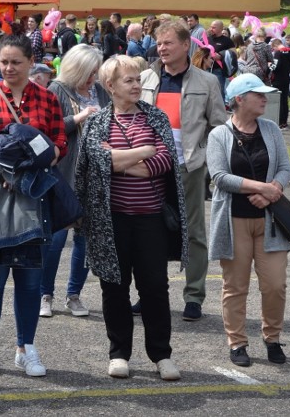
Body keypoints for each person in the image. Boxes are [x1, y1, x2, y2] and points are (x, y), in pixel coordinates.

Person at [75, 55, 187, 381]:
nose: (137, 85)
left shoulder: (155, 117)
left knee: (154, 288)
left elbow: (166, 159)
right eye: (129, 80)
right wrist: (141, 152)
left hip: (151, 219)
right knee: (115, 287)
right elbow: (98, 161)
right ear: (110, 86)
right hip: (111, 221)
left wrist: (120, 159)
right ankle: (119, 353)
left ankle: (161, 355)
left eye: (138, 79)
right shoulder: (98, 122)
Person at [0, 28, 67, 379]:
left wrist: (37, 162)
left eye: (16, 63)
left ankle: (26, 348)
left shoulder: (48, 99)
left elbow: (59, 144)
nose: (8, 68)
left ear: (31, 63)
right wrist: (7, 162)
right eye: (3, 62)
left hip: (33, 204)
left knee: (29, 280)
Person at [139, 20, 227, 321]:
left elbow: (218, 126)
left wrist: (205, 158)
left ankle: (194, 296)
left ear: (185, 45)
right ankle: (150, 294)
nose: (161, 48)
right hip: (150, 168)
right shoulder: (145, 79)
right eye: (159, 43)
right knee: (151, 232)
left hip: (188, 166)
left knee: (193, 232)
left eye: (168, 43)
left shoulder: (207, 82)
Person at [206, 73, 290, 367]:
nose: (264, 98)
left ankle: (272, 338)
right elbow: (219, 177)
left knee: (275, 285)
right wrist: (261, 188)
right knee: (235, 286)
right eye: (258, 93)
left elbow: (285, 167)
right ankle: (238, 342)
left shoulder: (271, 129)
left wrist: (274, 191)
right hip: (234, 222)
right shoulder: (219, 134)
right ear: (239, 99)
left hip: (270, 222)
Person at [40, 44, 110, 318]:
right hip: (63, 175)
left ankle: (74, 295)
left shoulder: (101, 91)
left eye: (95, 72)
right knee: (56, 238)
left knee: (85, 240)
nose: (93, 78)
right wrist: (79, 117)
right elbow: (46, 130)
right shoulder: (57, 90)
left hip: (94, 175)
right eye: (88, 72)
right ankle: (45, 294)